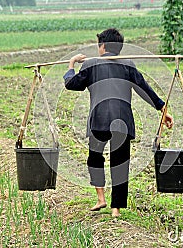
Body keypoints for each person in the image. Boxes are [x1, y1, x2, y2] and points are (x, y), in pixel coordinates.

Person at [63, 28, 173, 217]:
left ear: (103, 46)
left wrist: (71, 64)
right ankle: (116, 208)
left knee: (95, 159)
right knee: (120, 163)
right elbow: (145, 89)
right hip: (123, 122)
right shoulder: (128, 65)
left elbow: (71, 84)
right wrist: (163, 109)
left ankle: (101, 198)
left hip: (99, 120)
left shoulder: (90, 65)